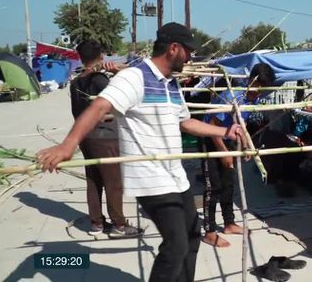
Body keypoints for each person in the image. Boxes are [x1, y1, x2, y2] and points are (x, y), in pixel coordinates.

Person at [37, 22, 248, 282]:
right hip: (150, 179)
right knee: (176, 244)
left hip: (175, 177)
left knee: (193, 237)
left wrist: (225, 133)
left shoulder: (171, 85)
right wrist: (67, 145)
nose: (190, 58)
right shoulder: (135, 77)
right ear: (174, 48)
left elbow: (185, 122)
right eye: (188, 51)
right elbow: (100, 107)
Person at [69, 40, 140, 238]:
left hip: (85, 137)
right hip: (105, 137)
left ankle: (96, 223)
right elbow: (118, 105)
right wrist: (117, 74)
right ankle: (119, 224)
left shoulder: (75, 82)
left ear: (81, 58)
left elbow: (77, 112)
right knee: (113, 181)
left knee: (93, 179)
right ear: (101, 56)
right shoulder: (100, 80)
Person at [201, 63, 275, 248]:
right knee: (214, 186)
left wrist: (244, 146)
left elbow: (242, 124)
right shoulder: (232, 96)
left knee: (228, 183)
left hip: (229, 137)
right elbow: (213, 125)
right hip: (211, 138)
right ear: (252, 80)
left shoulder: (253, 99)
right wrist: (224, 154)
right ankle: (209, 231)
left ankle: (229, 223)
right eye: (259, 87)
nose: (260, 92)